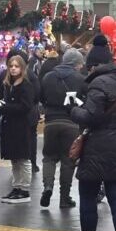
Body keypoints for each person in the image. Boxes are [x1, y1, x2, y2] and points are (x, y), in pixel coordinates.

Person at [61, 36, 116, 231]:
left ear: (93, 66)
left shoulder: (97, 84)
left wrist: (73, 110)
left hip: (98, 148)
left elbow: (90, 117)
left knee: (87, 194)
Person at [39, 49, 87, 209]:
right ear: (76, 63)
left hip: (51, 122)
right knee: (68, 160)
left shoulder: (48, 77)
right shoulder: (80, 79)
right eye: (80, 64)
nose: (81, 67)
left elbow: (41, 97)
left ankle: (47, 186)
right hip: (71, 123)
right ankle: (64, 198)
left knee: (49, 157)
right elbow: (86, 100)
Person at [0, 54, 37, 202]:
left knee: (23, 158)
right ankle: (16, 186)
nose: (13, 69)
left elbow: (25, 107)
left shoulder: (26, 85)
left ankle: (24, 189)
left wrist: (5, 107)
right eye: (11, 66)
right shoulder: (8, 84)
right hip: (10, 126)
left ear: (22, 68)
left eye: (16, 66)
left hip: (21, 126)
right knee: (14, 159)